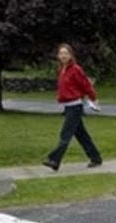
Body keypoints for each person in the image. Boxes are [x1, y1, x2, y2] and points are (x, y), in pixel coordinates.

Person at [43, 43, 103, 171]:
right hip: (68, 107)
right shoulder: (62, 70)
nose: (63, 56)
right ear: (58, 56)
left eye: (66, 53)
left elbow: (86, 85)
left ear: (71, 55)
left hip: (75, 107)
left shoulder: (76, 69)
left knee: (65, 135)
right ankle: (96, 158)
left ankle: (54, 160)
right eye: (61, 53)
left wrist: (94, 98)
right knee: (82, 135)